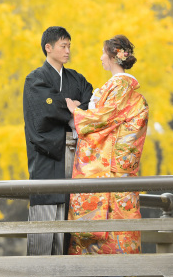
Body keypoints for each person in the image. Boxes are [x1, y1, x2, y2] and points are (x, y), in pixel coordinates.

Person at [64, 34, 149, 255]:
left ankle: (107, 265)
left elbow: (104, 118)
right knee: (119, 216)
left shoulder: (120, 85)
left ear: (113, 57)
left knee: (113, 214)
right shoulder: (119, 86)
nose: (101, 58)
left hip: (111, 165)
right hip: (118, 163)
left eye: (103, 53)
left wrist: (77, 112)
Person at [23, 26, 93, 258]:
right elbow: (43, 109)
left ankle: (69, 268)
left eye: (69, 46)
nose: (67, 51)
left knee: (72, 204)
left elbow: (89, 99)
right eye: (63, 46)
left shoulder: (76, 78)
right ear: (48, 47)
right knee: (47, 203)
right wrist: (71, 108)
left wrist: (70, 108)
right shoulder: (35, 79)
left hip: (74, 148)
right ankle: (42, 269)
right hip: (48, 150)